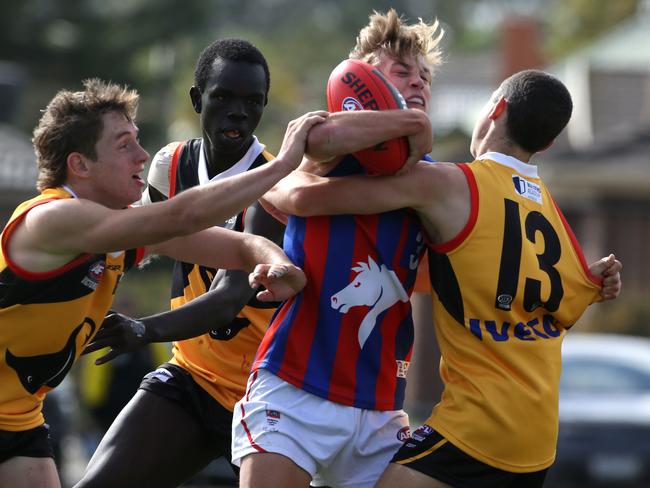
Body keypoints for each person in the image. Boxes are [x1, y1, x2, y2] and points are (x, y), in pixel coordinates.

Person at [261, 69, 622, 488]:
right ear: (548, 143)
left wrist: (269, 169)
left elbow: (304, 198)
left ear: (495, 109)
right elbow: (570, 302)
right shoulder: (554, 218)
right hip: (538, 446)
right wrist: (597, 283)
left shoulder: (449, 184)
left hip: (476, 430)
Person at [0, 77, 325, 488]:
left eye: (138, 141)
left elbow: (244, 247)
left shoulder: (115, 235)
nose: (142, 156)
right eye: (124, 146)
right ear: (79, 165)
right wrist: (281, 166)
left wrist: (279, 268)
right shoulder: (52, 218)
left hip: (19, 419)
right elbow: (178, 217)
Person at [232, 10, 443, 488]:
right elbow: (326, 137)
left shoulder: (433, 177)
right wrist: (408, 120)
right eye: (402, 72)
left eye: (424, 78)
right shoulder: (332, 147)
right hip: (296, 383)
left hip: (380, 404)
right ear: (363, 81)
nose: (418, 84)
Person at [73, 39, 291, 488]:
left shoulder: (273, 187)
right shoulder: (170, 164)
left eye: (253, 102)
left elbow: (230, 298)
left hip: (268, 395)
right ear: (197, 99)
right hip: (193, 377)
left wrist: (142, 329)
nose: (238, 112)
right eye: (223, 97)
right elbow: (134, 246)